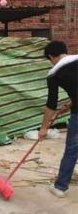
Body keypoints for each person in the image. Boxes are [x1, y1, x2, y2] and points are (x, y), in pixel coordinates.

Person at [40, 40, 78, 198]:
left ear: (51, 57)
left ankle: (60, 187)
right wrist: (70, 104)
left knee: (72, 150)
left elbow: (51, 104)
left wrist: (43, 128)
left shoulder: (54, 74)